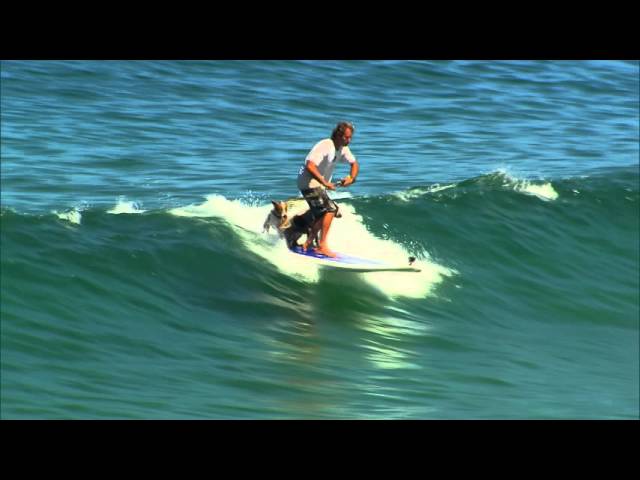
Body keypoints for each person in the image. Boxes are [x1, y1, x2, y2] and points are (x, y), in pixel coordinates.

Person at [296, 121, 359, 257]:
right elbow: (310, 165)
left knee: (329, 211)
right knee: (329, 210)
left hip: (318, 185)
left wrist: (351, 178)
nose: (349, 140)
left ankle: (307, 238)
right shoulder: (325, 145)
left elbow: (354, 164)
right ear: (338, 135)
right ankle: (322, 246)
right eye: (346, 137)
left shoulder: (343, 148)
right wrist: (325, 182)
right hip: (308, 182)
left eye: (350, 138)